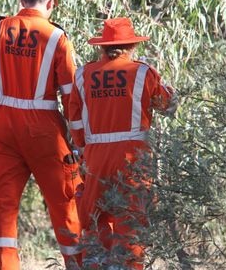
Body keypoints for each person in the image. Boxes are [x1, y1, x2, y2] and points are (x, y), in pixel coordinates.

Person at [0, 0, 82, 270]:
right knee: (66, 203)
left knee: (4, 209)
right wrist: (80, 141)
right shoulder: (56, 37)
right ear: (51, 3)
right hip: (44, 130)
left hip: (3, 126)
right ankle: (78, 264)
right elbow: (71, 97)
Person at [67, 17, 174, 270]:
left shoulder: (83, 74)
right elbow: (167, 105)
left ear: (102, 47)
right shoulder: (143, 72)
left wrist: (85, 149)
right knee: (132, 223)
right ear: (131, 46)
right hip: (133, 159)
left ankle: (98, 264)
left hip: (96, 157)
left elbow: (74, 119)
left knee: (94, 218)